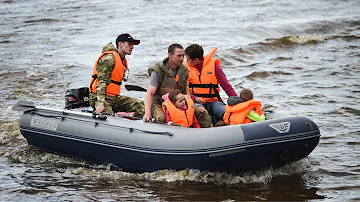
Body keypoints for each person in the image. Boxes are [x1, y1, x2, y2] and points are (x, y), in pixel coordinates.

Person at [143, 43, 211, 128]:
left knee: (202, 112)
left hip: (180, 102)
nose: (182, 59)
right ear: (170, 55)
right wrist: (147, 113)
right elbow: (150, 93)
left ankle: (204, 134)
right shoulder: (158, 70)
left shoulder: (184, 70)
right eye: (179, 56)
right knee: (162, 118)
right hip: (160, 103)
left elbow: (187, 93)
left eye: (183, 56)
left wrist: (190, 108)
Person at [89, 33, 145, 118]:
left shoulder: (122, 60)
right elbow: (101, 82)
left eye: (133, 45)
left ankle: (126, 115)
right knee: (110, 118)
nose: (132, 47)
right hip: (100, 98)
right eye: (129, 44)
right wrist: (100, 104)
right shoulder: (109, 59)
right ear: (120, 44)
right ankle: (114, 115)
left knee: (143, 106)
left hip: (114, 98)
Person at [184, 44, 238, 125]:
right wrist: (194, 98)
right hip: (195, 102)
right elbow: (182, 90)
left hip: (213, 102)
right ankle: (212, 126)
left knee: (227, 113)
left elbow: (226, 86)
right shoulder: (185, 69)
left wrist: (238, 102)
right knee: (202, 113)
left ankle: (221, 123)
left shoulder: (214, 66)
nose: (186, 61)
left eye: (188, 60)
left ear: (196, 60)